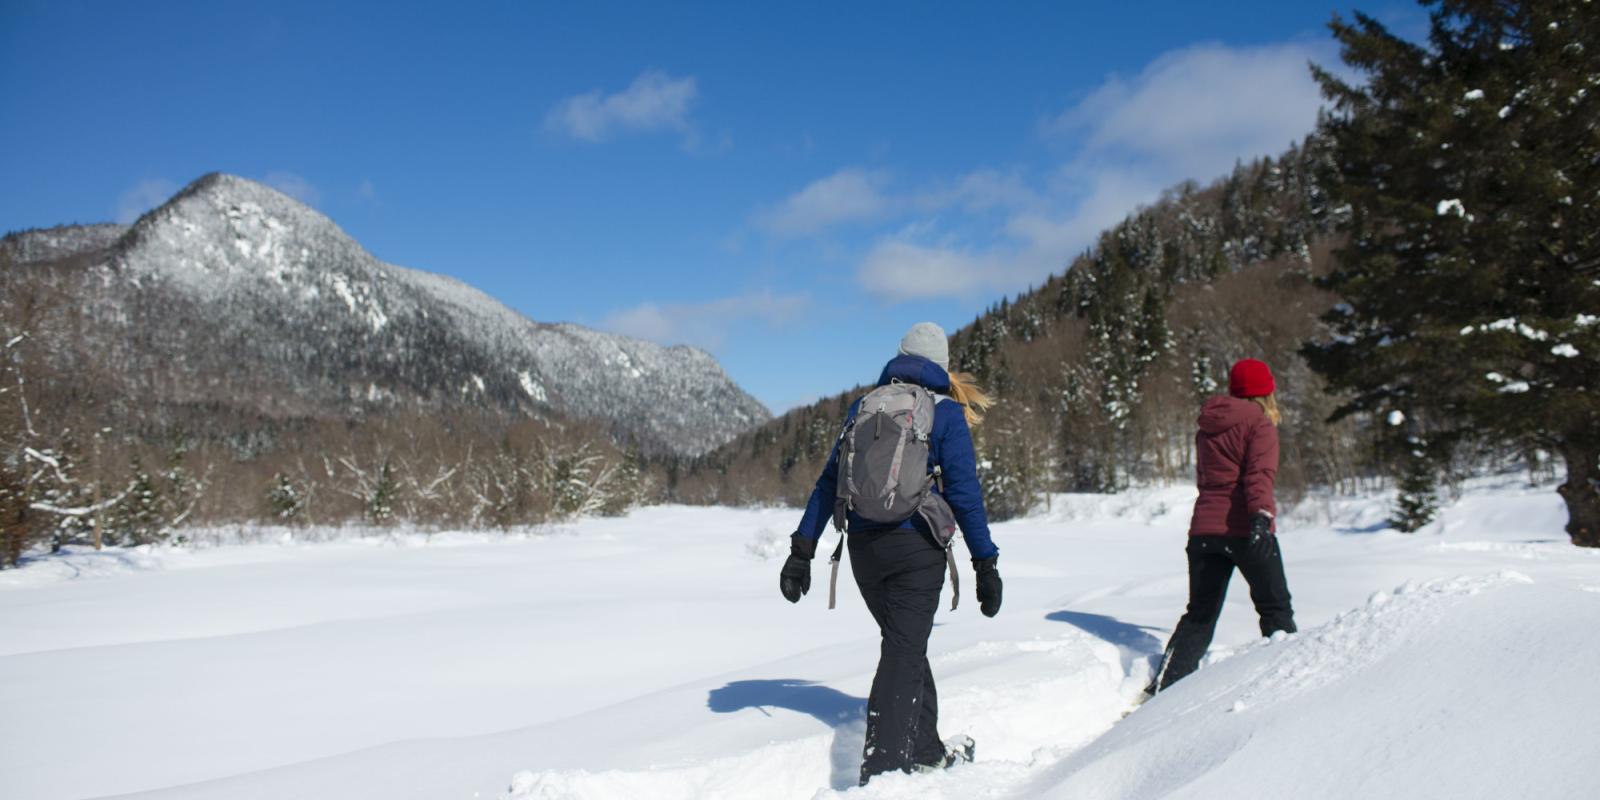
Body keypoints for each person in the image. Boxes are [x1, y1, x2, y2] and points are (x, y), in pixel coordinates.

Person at [778, 321, 1003, 786]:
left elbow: (828, 481)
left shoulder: (865, 406)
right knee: (902, 652)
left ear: (899, 358)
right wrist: (985, 563)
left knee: (905, 645)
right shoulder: (944, 412)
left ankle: (925, 752)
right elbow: (964, 493)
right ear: (942, 366)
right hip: (915, 549)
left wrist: (802, 549)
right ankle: (882, 776)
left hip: (863, 551)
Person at [1147, 358, 1297, 695]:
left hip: (1204, 531)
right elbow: (1259, 476)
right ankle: (1288, 685)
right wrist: (1261, 516)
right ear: (1266, 392)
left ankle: (1166, 687)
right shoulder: (1259, 425)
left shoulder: (1208, 425)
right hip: (1246, 528)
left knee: (1199, 614)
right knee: (1275, 610)